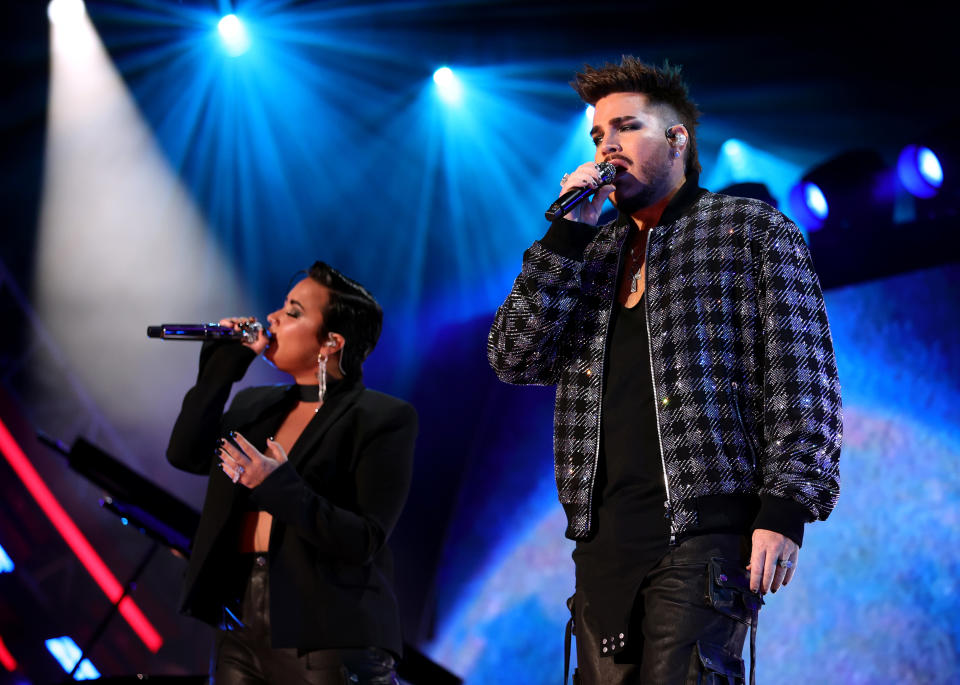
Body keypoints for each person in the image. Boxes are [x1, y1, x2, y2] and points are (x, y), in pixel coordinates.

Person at [488, 57, 842, 684]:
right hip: (602, 542)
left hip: (704, 537)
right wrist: (565, 239)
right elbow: (513, 357)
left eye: (625, 128)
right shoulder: (587, 252)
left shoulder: (749, 230)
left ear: (677, 138)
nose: (607, 146)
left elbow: (804, 379)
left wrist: (785, 508)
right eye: (598, 135)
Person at [167, 261, 417, 685]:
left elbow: (363, 540)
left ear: (330, 342)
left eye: (294, 311)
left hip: (328, 630)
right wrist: (221, 370)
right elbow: (185, 454)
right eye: (282, 306)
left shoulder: (381, 418)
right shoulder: (255, 406)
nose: (273, 318)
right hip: (240, 622)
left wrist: (276, 485)